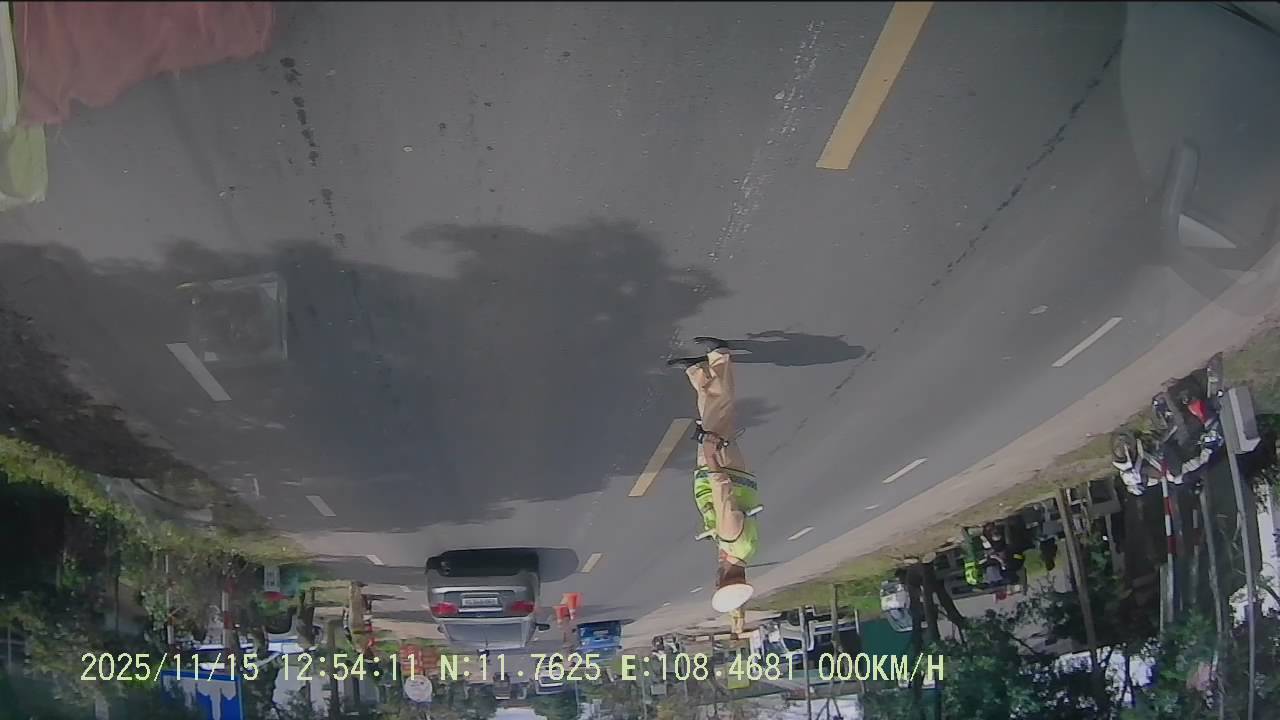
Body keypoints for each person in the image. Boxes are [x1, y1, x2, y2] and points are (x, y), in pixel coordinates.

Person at [669, 337, 760, 613]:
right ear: (722, 579)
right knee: (719, 415)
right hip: (722, 468)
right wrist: (711, 458)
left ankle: (699, 372)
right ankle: (720, 356)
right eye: (718, 582)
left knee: (712, 419)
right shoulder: (732, 541)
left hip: (732, 472)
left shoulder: (746, 550)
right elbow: (724, 497)